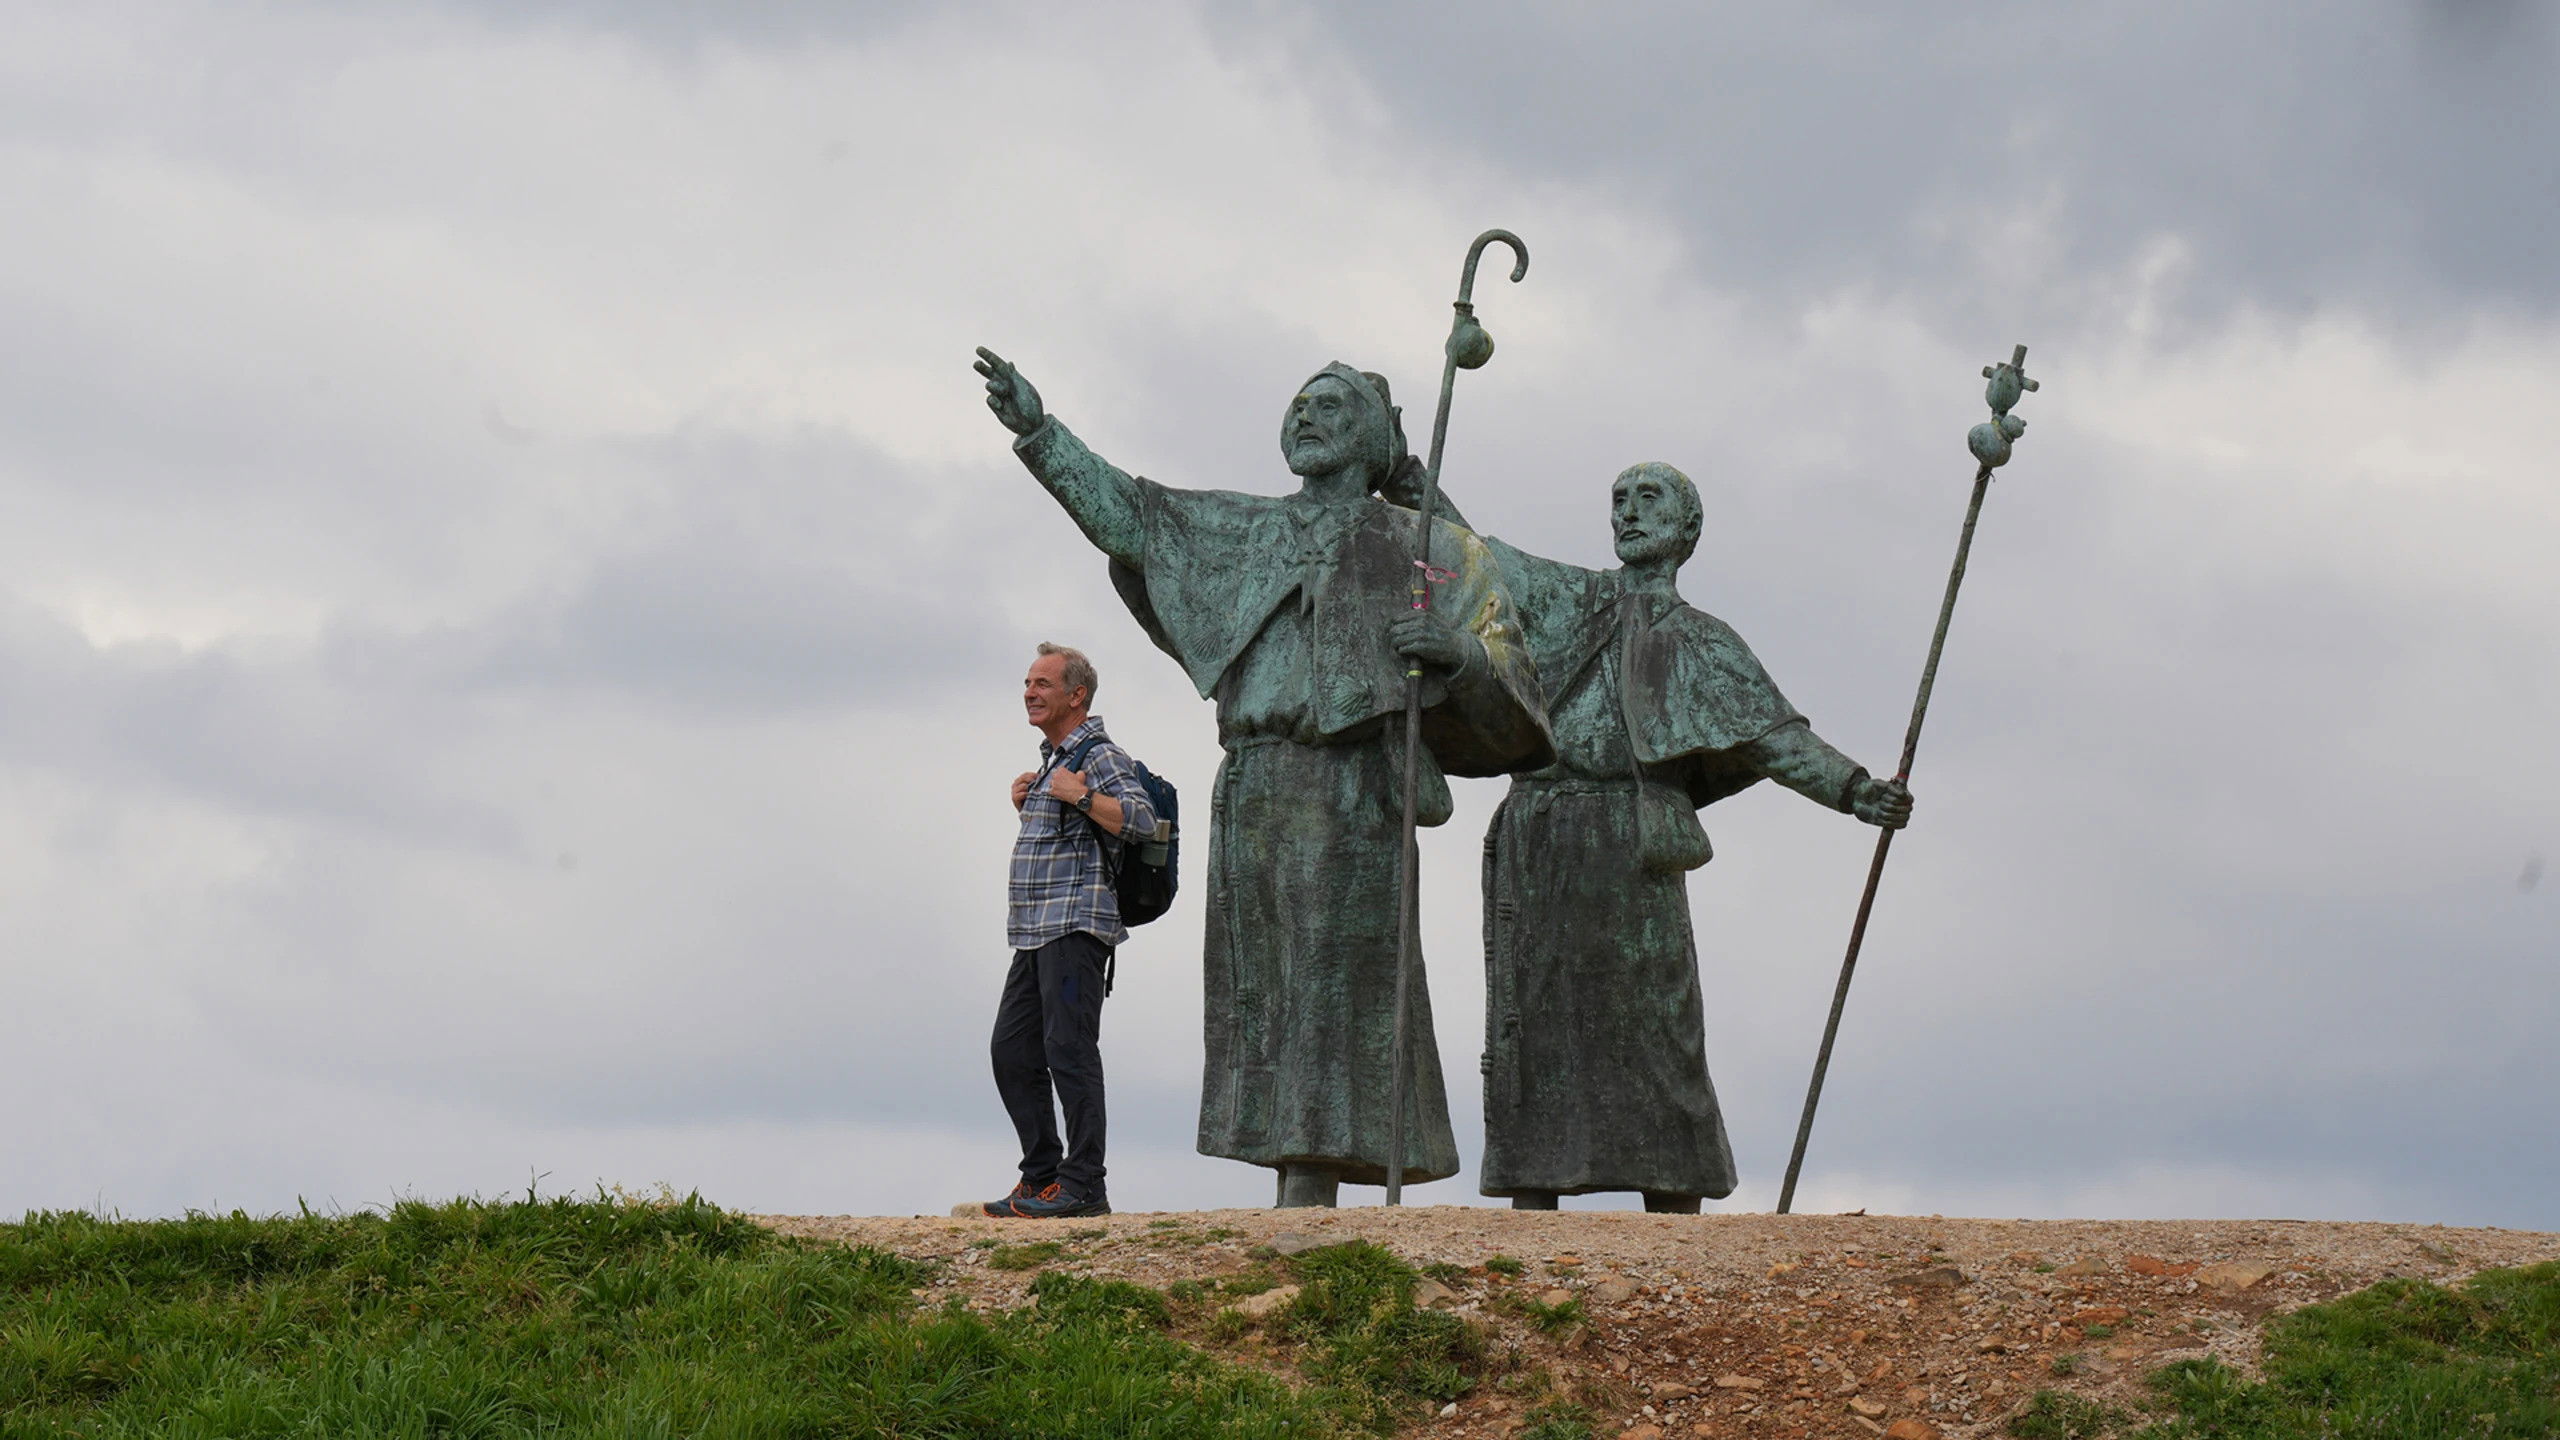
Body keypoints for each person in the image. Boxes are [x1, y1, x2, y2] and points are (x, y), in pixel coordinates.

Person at [971, 347, 1552, 1207]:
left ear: (1376, 441)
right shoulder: (1245, 528)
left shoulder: (1431, 549)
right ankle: (1292, 1172)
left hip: (1357, 786)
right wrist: (1041, 433)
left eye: (1332, 406)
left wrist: (1458, 654)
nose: (1307, 415)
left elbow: (1514, 670)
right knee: (1266, 994)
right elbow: (1131, 517)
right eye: (1299, 403)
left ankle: (1311, 1183)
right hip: (1256, 786)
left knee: (1337, 988)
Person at [1452, 462, 1912, 1212]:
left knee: (1657, 1024)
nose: (1629, 513)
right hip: (1544, 836)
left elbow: (1775, 739)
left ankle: (1674, 1198)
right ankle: (1533, 1197)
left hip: (1634, 842)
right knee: (1536, 1020)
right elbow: (1476, 551)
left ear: (1687, 528)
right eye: (1619, 501)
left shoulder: (1703, 641)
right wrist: (1408, 482)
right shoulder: (1570, 598)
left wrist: (1859, 791)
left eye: (1649, 499)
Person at [982, 642, 1158, 1219]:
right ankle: (1041, 1180)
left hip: (1076, 926)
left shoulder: (1099, 754)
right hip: (1034, 931)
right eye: (1027, 683)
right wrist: (1030, 801)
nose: (1029, 692)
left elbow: (1140, 820)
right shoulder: (1053, 761)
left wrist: (1077, 793)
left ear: (1076, 695)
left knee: (1069, 1051)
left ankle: (1084, 1186)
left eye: (1042, 684)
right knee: (1012, 1052)